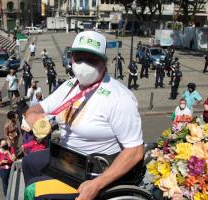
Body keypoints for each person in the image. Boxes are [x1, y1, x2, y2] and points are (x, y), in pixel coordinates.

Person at [22, 31, 144, 199]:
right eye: (79, 58)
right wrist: (33, 118)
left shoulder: (120, 98)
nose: (84, 65)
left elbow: (135, 151)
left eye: (91, 59)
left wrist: (97, 184)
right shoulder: (69, 86)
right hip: (66, 156)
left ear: (103, 62)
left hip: (94, 167)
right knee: (28, 162)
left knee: (33, 191)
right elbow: (34, 109)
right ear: (71, 59)